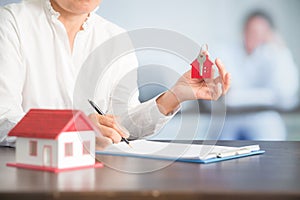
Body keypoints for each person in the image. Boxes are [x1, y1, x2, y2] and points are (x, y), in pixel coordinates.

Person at [0, 0, 230, 147]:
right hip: (28, 175)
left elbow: (125, 125)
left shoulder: (115, 37)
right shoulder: (12, 22)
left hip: (98, 176)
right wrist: (76, 126)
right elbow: (3, 120)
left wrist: (175, 96)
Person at [217, 10, 299, 140]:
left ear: (269, 34)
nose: (254, 36)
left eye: (260, 32)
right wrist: (267, 95)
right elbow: (229, 95)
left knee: (271, 148)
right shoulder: (227, 51)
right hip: (231, 118)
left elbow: (286, 92)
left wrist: (282, 51)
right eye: (250, 31)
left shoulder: (274, 54)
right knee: (221, 148)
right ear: (243, 31)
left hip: (264, 118)